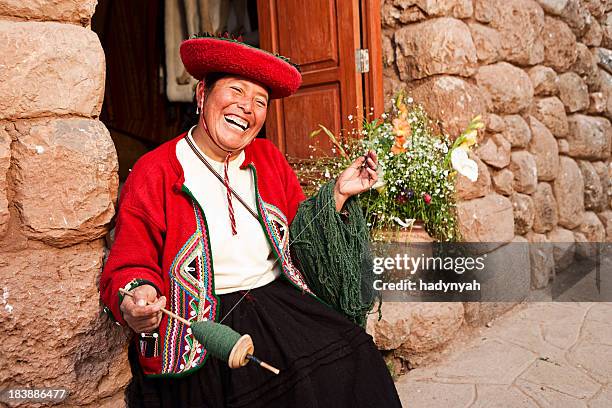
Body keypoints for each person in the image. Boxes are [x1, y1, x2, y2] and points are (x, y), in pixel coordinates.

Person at [100, 34, 402, 408]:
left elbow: (303, 235)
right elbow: (131, 260)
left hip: (279, 303)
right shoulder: (156, 170)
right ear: (202, 94)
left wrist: (338, 192)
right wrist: (137, 296)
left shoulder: (268, 158)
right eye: (236, 91)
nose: (247, 107)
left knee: (356, 358)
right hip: (204, 324)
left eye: (260, 101)